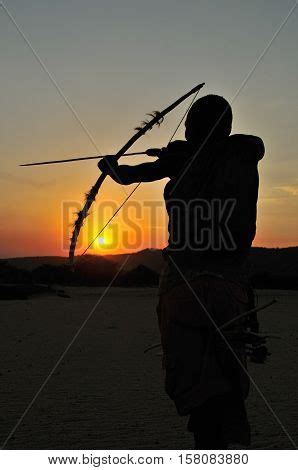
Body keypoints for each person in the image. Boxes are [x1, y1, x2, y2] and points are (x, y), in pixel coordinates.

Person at [98, 94, 265, 449]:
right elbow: (244, 144)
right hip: (231, 289)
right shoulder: (243, 152)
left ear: (199, 129)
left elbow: (129, 175)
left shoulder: (191, 156)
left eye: (191, 125)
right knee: (229, 383)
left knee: (194, 385)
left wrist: (112, 168)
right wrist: (180, 152)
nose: (185, 131)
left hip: (184, 286)